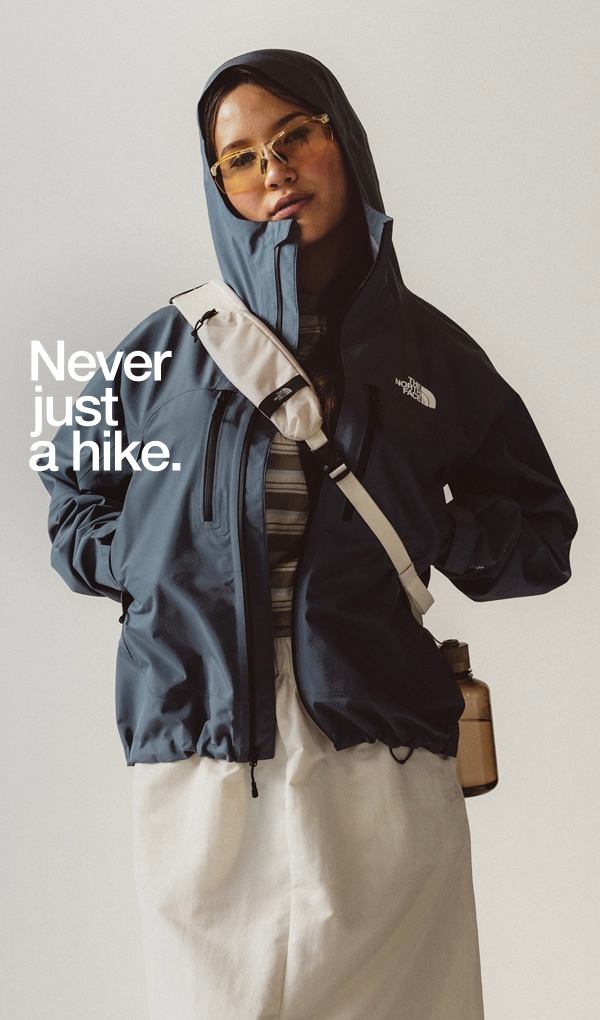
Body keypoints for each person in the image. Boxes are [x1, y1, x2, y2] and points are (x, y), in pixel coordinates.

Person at [39, 48, 578, 1019]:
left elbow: (544, 534)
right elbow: (73, 506)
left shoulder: (429, 355)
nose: (273, 168)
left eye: (294, 135)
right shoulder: (164, 353)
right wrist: (151, 562)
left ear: (343, 140)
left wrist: (441, 526)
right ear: (220, 186)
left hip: (383, 760)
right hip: (203, 752)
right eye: (240, 156)